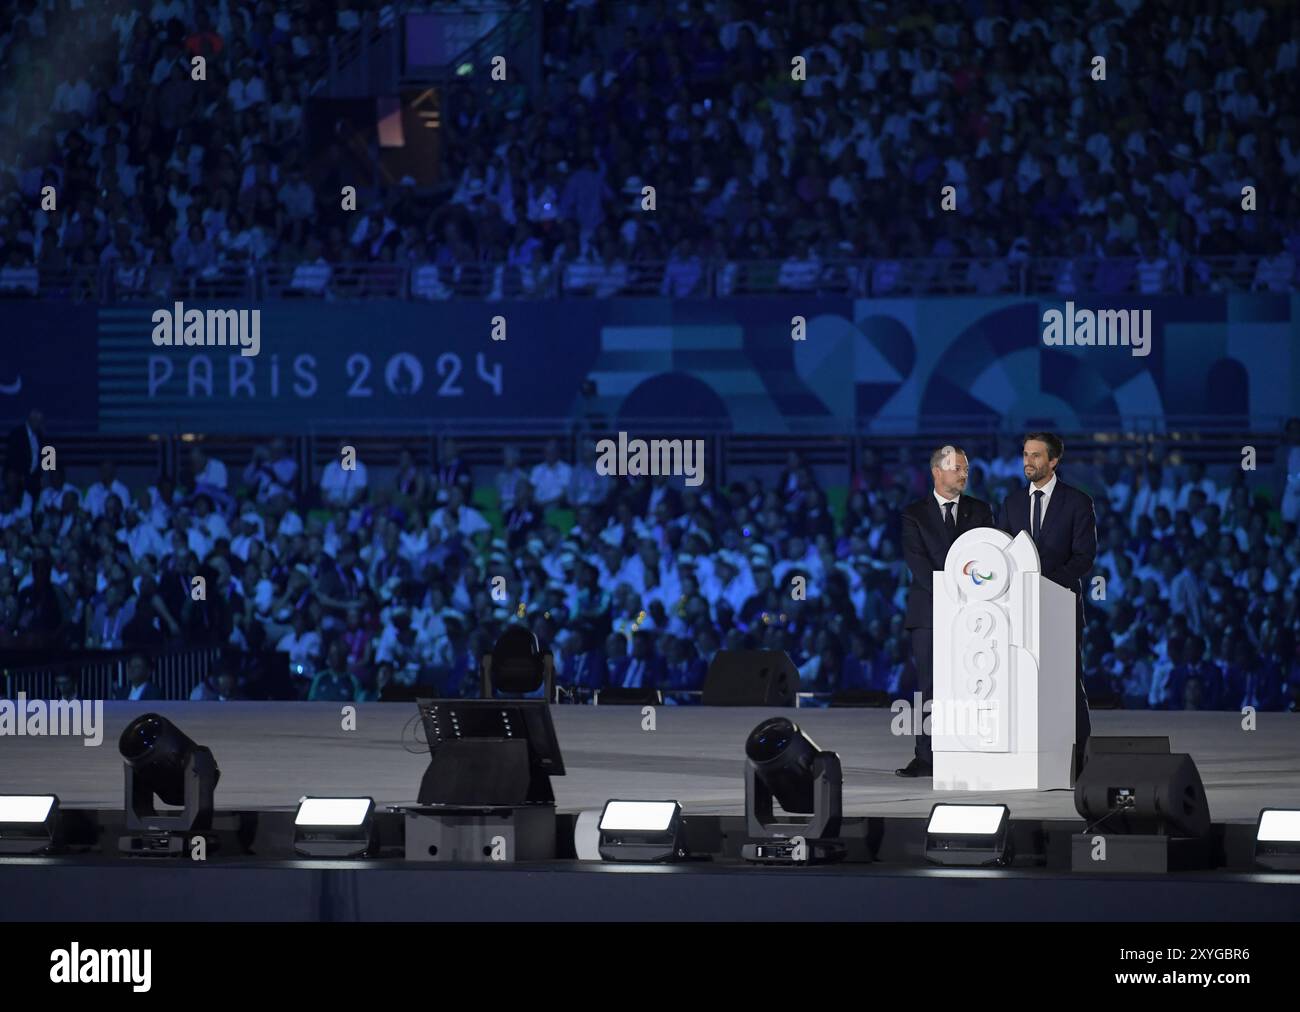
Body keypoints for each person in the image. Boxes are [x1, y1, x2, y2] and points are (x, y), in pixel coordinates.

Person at [995, 432, 1096, 780]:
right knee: (1018, 681)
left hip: (1060, 605)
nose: (1029, 461)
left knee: (1068, 682)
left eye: (1036, 455)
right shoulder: (1011, 504)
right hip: (1018, 611)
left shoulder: (1078, 502)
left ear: (1053, 461)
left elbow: (1084, 557)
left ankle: (1082, 761)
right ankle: (1023, 756)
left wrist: (1045, 583)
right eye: (1025, 454)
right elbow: (1003, 555)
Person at [897, 444, 995, 777]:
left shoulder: (980, 511)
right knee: (930, 686)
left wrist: (969, 596)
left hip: (973, 613)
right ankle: (925, 755)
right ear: (937, 471)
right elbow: (918, 564)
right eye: (957, 468)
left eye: (966, 468)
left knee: (974, 683)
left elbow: (987, 557)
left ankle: (971, 750)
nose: (964, 474)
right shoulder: (914, 514)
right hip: (930, 613)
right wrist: (951, 595)